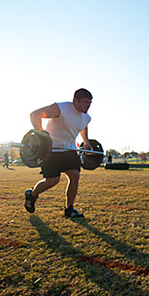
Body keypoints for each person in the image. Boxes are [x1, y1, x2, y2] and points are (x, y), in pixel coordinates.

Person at [24, 88, 93, 218]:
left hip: (69, 150)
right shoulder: (61, 108)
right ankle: (31, 194)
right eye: (85, 102)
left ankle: (69, 209)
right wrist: (41, 137)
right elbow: (35, 115)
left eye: (89, 103)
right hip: (51, 150)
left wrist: (86, 141)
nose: (87, 106)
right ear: (75, 101)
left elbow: (83, 125)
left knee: (75, 176)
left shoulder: (86, 117)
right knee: (52, 181)